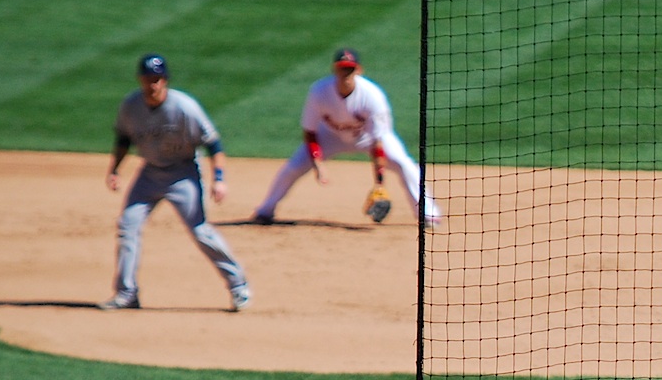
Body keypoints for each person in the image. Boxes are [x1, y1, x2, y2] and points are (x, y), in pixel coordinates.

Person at [101, 54, 249, 312]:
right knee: (128, 227)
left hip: (183, 173)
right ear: (140, 80)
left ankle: (239, 286)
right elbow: (123, 138)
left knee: (201, 231)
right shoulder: (131, 106)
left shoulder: (184, 107)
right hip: (149, 174)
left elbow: (213, 144)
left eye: (157, 79)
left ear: (165, 80)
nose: (152, 84)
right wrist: (115, 169)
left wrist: (219, 179)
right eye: (148, 79)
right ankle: (126, 293)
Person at [250, 48, 441, 228]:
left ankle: (428, 213)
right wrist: (318, 164)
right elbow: (310, 133)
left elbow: (378, 143)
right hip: (329, 136)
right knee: (293, 167)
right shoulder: (319, 92)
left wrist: (379, 184)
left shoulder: (372, 96)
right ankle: (266, 210)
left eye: (350, 69)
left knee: (404, 164)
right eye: (342, 69)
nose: (346, 74)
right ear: (335, 70)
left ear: (359, 70)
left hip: (367, 137)